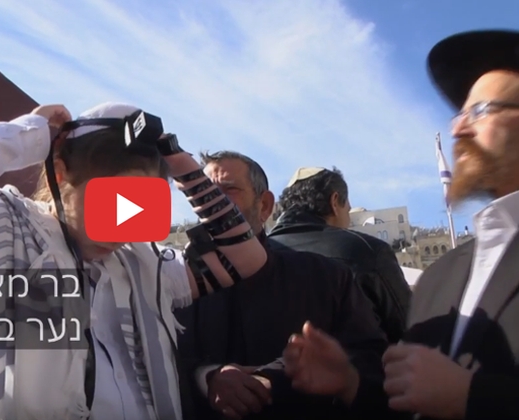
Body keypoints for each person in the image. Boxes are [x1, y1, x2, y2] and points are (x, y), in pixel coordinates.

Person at [0, 102, 269, 419]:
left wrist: (175, 158)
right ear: (60, 175)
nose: (123, 225)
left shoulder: (144, 265)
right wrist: (32, 133)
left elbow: (245, 257)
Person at [281, 29, 519, 420]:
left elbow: (453, 394)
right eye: (461, 114)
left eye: (480, 111)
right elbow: (414, 401)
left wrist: (472, 397)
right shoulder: (442, 275)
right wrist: (352, 383)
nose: (458, 129)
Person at [175, 151, 394, 419]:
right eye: (202, 193)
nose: (209, 202)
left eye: (229, 190)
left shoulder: (326, 278)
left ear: (265, 206)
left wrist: (334, 375)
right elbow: (156, 363)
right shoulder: (174, 286)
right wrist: (207, 377)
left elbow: (372, 359)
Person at [268, 166, 412, 343]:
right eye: (348, 210)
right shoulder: (367, 251)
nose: (349, 220)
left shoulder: (258, 254)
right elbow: (411, 327)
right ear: (335, 202)